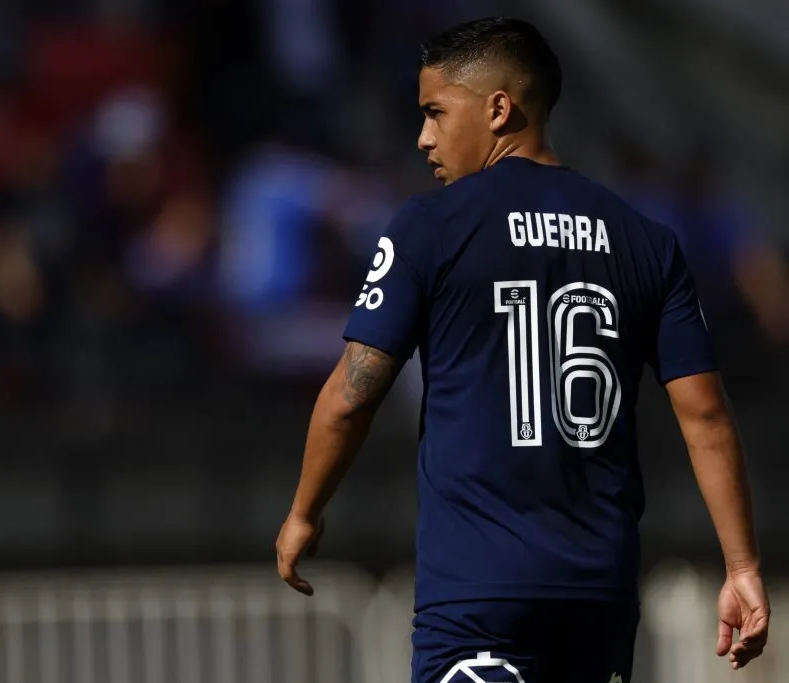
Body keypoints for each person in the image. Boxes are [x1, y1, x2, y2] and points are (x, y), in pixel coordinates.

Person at [274, 17, 769, 683]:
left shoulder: (430, 226)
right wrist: (742, 566)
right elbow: (705, 415)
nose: (423, 137)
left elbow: (352, 393)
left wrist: (305, 510)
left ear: (499, 109)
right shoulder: (647, 239)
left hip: (479, 595)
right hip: (600, 592)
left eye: (435, 113)